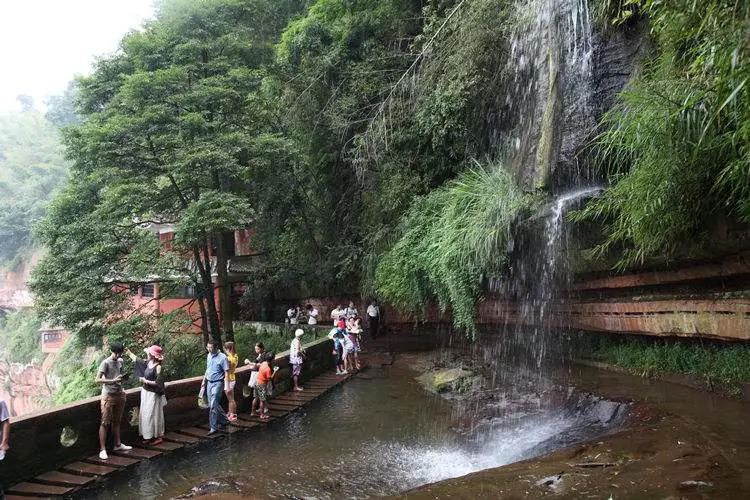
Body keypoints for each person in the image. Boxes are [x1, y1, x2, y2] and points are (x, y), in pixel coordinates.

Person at [95, 342, 132, 460]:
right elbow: (97, 380)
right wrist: (112, 381)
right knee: (105, 422)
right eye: (116, 353)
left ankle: (118, 444)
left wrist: (122, 378)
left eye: (120, 353)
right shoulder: (105, 363)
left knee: (117, 421)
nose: (118, 355)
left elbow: (119, 375)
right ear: (112, 351)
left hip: (120, 394)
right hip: (108, 395)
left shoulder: (120, 361)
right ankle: (103, 449)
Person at [125, 345, 166, 446]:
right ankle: (148, 436)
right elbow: (138, 361)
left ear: (152, 355)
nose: (147, 354)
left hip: (153, 395)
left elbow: (159, 383)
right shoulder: (148, 363)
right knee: (146, 415)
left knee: (154, 415)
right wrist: (129, 353)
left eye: (148, 353)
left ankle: (158, 436)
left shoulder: (158, 367)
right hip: (146, 392)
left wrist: (145, 381)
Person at [200, 341, 230, 435]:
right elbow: (208, 369)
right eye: (207, 347)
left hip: (218, 383)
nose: (209, 349)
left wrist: (226, 385)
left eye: (211, 347)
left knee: (213, 405)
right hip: (209, 382)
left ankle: (213, 427)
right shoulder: (209, 355)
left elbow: (227, 372)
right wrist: (204, 380)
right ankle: (225, 420)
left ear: (216, 347)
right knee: (212, 404)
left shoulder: (223, 357)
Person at [244, 342, 266, 416]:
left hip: (258, 377)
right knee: (260, 396)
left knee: (257, 396)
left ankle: (255, 411)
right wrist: (251, 363)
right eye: (255, 349)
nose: (256, 350)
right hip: (259, 379)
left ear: (262, 348)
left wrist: (250, 363)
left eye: (258, 349)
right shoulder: (260, 356)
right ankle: (261, 413)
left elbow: (259, 365)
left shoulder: (263, 356)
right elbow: (257, 364)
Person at [254, 352, 274, 421]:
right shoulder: (268, 369)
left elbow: (257, 365)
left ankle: (252, 412)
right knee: (262, 400)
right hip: (261, 384)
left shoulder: (263, 363)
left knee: (256, 398)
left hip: (256, 382)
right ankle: (262, 415)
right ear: (272, 360)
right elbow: (269, 379)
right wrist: (275, 372)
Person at [224, 341, 239, 422]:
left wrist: (227, 385)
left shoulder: (228, 359)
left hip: (229, 380)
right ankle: (230, 413)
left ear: (228, 349)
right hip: (233, 378)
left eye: (225, 349)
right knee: (232, 399)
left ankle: (233, 415)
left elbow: (226, 371)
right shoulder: (235, 356)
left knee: (230, 399)